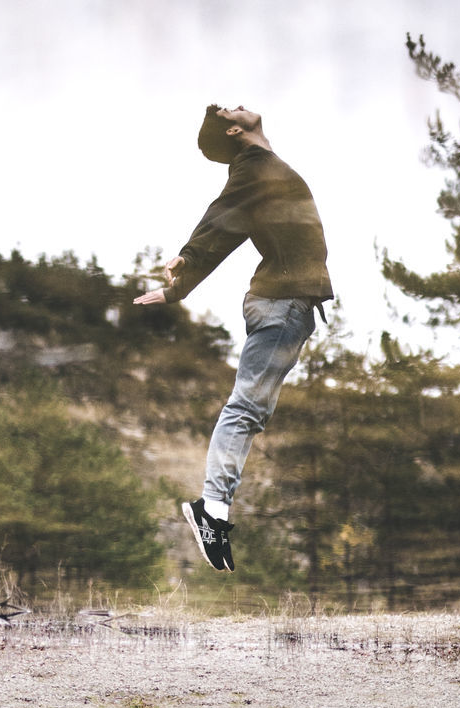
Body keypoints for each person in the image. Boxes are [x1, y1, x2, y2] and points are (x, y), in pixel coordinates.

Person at [133, 105, 333, 572]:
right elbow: (221, 218)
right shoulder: (252, 168)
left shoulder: (262, 167)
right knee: (245, 408)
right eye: (229, 109)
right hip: (281, 304)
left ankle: (214, 510)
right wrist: (183, 270)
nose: (236, 103)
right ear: (235, 130)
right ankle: (213, 511)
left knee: (253, 411)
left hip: (289, 306)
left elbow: (229, 219)